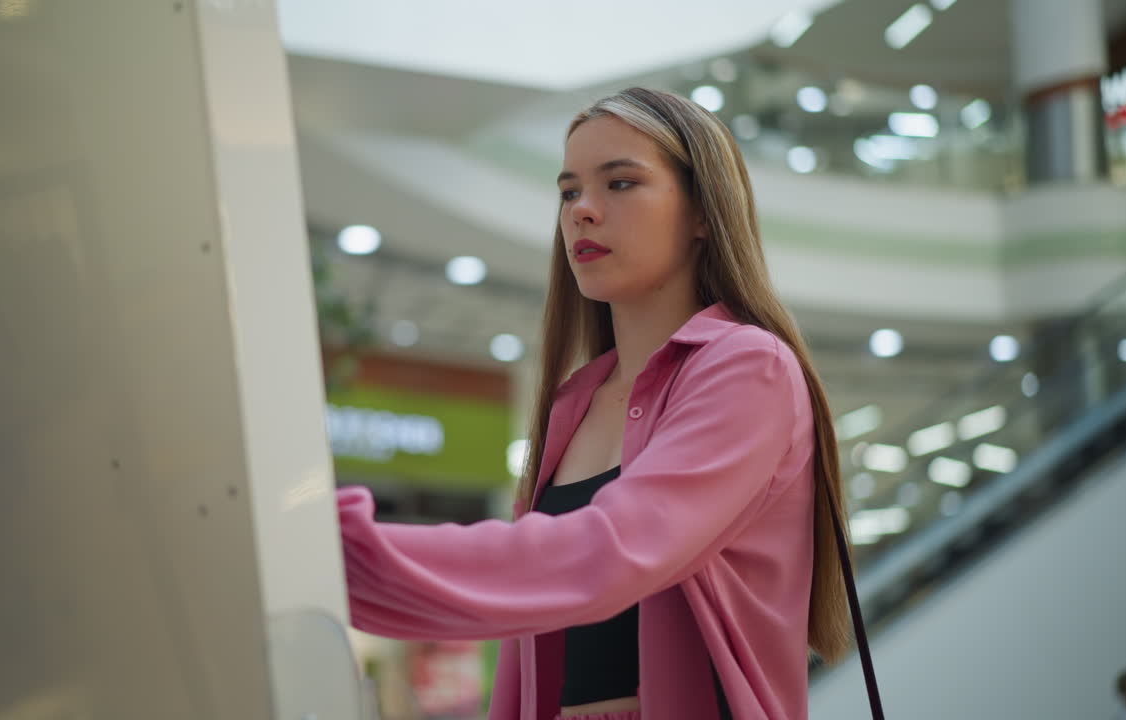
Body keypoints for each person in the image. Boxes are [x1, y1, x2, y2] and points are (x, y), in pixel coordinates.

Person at [336, 87, 852, 720]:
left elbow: (608, 553)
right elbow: (528, 632)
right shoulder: (572, 402)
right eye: (568, 191)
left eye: (621, 184)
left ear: (702, 211)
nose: (582, 211)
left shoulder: (748, 367)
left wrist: (350, 555)